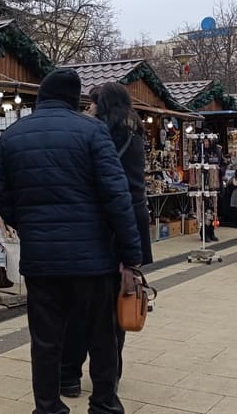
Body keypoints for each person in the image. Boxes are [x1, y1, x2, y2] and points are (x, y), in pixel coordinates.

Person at [0, 68, 141, 414]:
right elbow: (117, 196)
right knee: (101, 336)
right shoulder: (93, 131)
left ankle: (48, 407)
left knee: (45, 340)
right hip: (93, 259)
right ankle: (104, 403)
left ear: (42, 95)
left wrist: (29, 226)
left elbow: (2, 195)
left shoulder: (13, 135)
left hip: (41, 260)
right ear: (75, 99)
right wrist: (130, 255)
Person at [60, 82, 153, 399]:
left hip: (96, 227)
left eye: (92, 103)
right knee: (118, 302)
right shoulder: (136, 134)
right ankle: (110, 376)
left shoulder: (92, 133)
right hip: (130, 225)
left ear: (101, 104)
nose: (88, 107)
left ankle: (69, 375)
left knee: (78, 306)